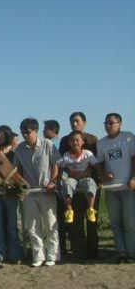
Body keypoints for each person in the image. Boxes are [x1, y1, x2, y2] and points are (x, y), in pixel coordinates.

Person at [13, 118, 60, 267]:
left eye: (28, 132)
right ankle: (38, 256)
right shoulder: (19, 149)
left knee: (50, 224)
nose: (25, 135)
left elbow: (55, 165)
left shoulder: (48, 144)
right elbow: (18, 169)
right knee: (32, 226)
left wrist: (53, 182)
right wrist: (22, 184)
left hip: (47, 191)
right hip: (30, 193)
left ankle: (53, 255)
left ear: (36, 131)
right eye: (23, 132)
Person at [59, 111, 99, 259]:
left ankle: (93, 252)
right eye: (71, 121)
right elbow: (63, 162)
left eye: (77, 121)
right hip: (73, 185)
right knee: (75, 221)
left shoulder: (92, 139)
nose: (74, 124)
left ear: (84, 122)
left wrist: (90, 175)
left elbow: (97, 161)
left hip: (91, 184)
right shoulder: (65, 140)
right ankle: (79, 251)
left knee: (92, 220)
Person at [96, 113, 135, 264]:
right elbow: (99, 163)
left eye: (111, 123)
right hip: (111, 189)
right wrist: (104, 175)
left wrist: (133, 178)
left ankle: (131, 253)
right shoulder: (101, 143)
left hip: (127, 188)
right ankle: (121, 253)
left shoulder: (128, 138)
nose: (108, 126)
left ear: (120, 123)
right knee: (116, 223)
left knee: (130, 222)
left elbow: (134, 159)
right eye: (106, 123)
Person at [0, 125, 24, 264]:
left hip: (11, 194)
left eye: (1, 133)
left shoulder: (15, 153)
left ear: (8, 135)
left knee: (12, 225)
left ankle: (15, 254)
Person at [58, 131, 101, 225]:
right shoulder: (66, 155)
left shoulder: (88, 154)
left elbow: (97, 166)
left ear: (82, 142)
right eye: (72, 140)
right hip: (72, 178)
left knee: (90, 183)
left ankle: (90, 209)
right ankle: (69, 210)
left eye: (77, 140)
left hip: (85, 178)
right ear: (69, 143)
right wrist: (58, 181)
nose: (75, 142)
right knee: (67, 184)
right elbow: (61, 169)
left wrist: (101, 180)